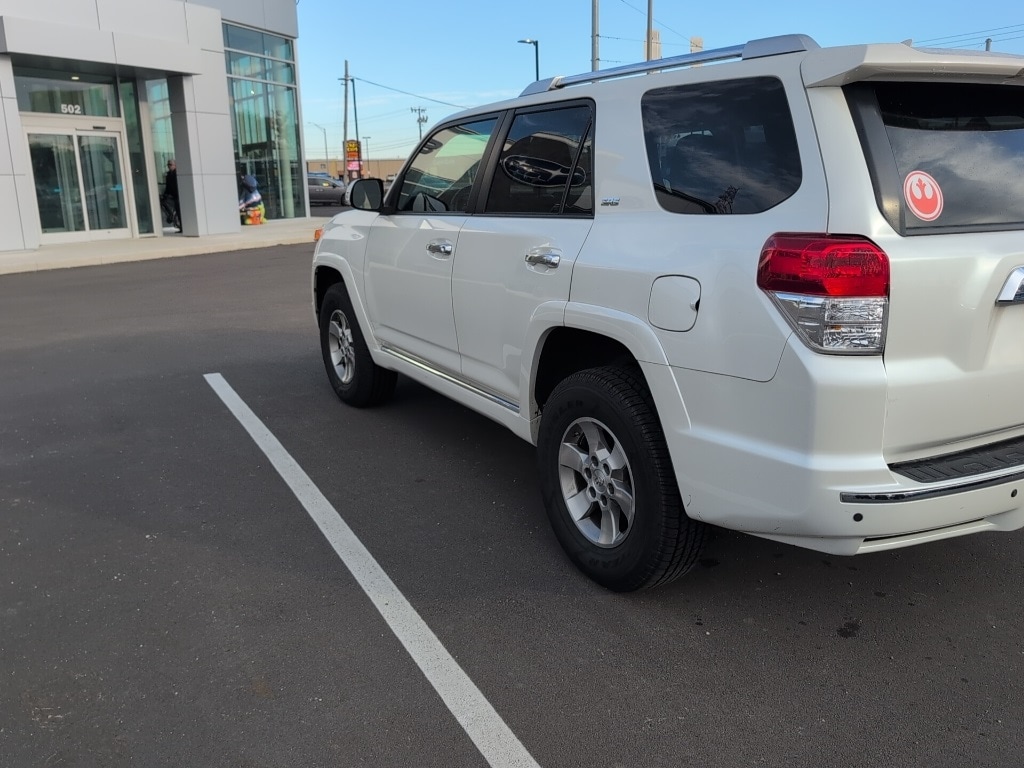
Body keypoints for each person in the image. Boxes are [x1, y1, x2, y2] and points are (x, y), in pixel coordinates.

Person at [163, 159, 181, 232]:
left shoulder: (177, 174)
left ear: (175, 165)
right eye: (168, 165)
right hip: (172, 194)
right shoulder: (168, 175)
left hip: (177, 195)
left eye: (170, 165)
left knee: (179, 211)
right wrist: (165, 194)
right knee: (175, 208)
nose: (169, 166)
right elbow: (168, 186)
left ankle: (181, 226)